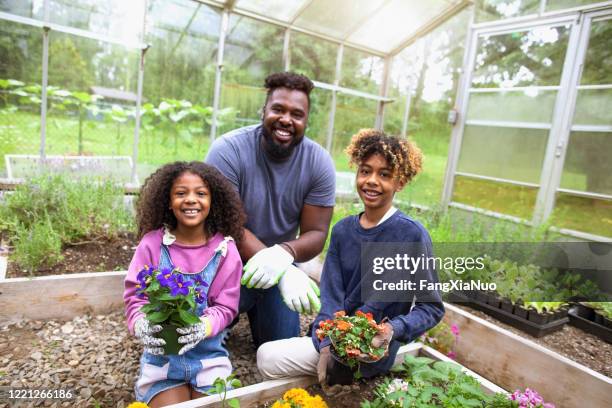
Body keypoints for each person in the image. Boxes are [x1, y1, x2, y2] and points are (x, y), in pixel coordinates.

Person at [256, 129, 445, 385]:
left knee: (268, 357)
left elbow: (431, 307)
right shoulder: (343, 230)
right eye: (365, 171)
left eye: (385, 175)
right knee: (268, 355)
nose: (372, 181)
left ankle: (343, 378)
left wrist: (392, 330)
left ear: (400, 183)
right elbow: (331, 299)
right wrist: (325, 346)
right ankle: (332, 377)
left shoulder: (411, 235)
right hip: (336, 339)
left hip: (373, 349)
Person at [205, 72, 335, 347]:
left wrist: (284, 256)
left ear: (306, 121)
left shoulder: (318, 162)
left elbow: (316, 232)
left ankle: (252, 310)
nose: (286, 119)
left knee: (278, 345)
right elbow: (223, 223)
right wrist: (286, 269)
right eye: (278, 109)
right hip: (223, 263)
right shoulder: (229, 150)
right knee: (201, 335)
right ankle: (224, 316)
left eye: (297, 114)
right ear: (264, 110)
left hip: (276, 268)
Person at [123, 161, 245, 407]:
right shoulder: (152, 244)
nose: (191, 200)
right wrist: (141, 325)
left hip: (209, 357)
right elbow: (136, 297)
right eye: (181, 193)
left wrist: (203, 325)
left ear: (213, 202)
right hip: (162, 361)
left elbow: (226, 307)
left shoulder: (225, 250)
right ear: (168, 201)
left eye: (201, 193)